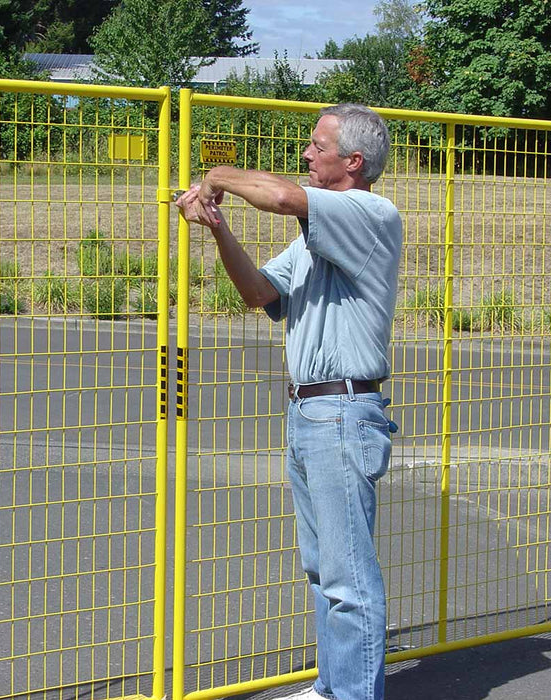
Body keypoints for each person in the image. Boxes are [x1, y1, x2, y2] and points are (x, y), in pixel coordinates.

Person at [176, 103, 402, 700]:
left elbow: (278, 196)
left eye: (317, 146)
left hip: (344, 414)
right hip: (308, 413)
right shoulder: (312, 239)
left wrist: (216, 175)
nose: (306, 154)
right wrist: (220, 228)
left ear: (352, 162)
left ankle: (353, 695)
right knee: (324, 571)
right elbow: (257, 292)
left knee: (348, 578)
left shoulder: (371, 213)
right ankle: (334, 687)